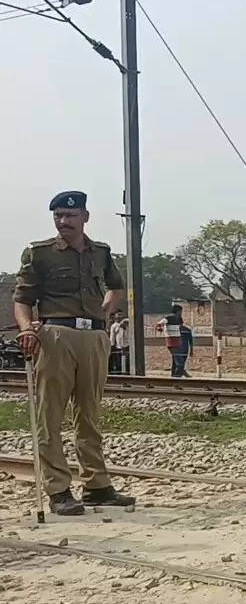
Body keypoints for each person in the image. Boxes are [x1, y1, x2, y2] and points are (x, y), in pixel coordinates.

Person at [12, 190, 135, 516]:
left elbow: (116, 287)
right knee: (50, 415)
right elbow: (22, 299)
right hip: (56, 335)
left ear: (85, 217)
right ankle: (58, 490)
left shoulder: (101, 253)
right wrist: (26, 328)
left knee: (89, 414)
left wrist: (104, 314)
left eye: (70, 216)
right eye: (58, 217)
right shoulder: (40, 254)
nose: (63, 222)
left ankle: (97, 486)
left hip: (93, 336)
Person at [158, 304, 185, 377]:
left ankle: (173, 376)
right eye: (181, 311)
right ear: (178, 311)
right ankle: (176, 378)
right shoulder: (169, 318)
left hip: (178, 342)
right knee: (180, 363)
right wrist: (159, 328)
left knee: (175, 362)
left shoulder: (179, 319)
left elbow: (181, 327)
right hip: (171, 343)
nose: (181, 313)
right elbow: (159, 323)